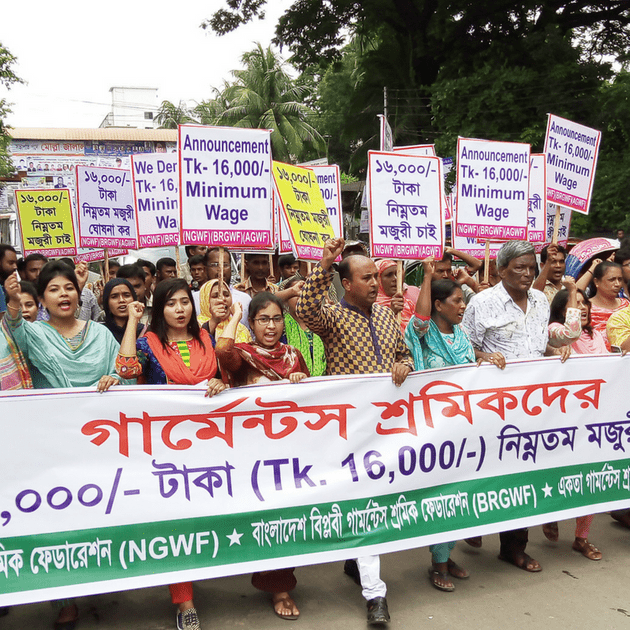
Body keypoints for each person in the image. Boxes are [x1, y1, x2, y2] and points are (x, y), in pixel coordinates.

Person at [296, 237, 413, 625]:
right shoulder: (332, 316)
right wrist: (325, 263)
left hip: (385, 427)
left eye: (376, 276)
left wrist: (404, 365)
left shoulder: (385, 315)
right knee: (366, 504)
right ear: (346, 283)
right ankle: (375, 594)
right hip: (347, 429)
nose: (376, 283)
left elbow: (403, 352)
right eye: (367, 278)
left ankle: (356, 560)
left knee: (371, 501)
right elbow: (307, 310)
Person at [3, 261, 121, 628]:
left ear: (79, 291)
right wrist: (10, 301)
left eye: (68, 287)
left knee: (104, 507)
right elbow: (12, 332)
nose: (63, 294)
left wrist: (115, 378)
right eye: (53, 289)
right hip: (51, 442)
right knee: (59, 518)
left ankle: (106, 572)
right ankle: (64, 599)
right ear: (40, 300)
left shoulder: (101, 334)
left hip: (100, 440)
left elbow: (123, 369)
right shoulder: (32, 333)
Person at [116, 278, 226, 630]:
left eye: (185, 302)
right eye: (171, 303)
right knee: (177, 521)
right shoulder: (148, 343)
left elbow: (225, 379)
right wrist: (134, 320)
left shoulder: (206, 339)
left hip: (209, 445)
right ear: (159, 309)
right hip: (165, 450)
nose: (180, 309)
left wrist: (220, 383)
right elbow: (127, 371)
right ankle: (185, 603)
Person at [215, 292, 307, 620]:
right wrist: (234, 317)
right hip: (251, 455)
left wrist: (301, 380)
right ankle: (269, 581)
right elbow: (223, 351)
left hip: (288, 454)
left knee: (284, 519)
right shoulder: (243, 354)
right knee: (261, 519)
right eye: (263, 319)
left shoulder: (295, 355)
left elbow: (313, 402)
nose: (271, 326)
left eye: (277, 318)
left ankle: (280, 583)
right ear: (252, 324)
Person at [462, 240, 550, 573]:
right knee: (486, 471)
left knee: (523, 474)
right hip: (492, 406)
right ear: (501, 270)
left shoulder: (541, 300)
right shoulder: (482, 303)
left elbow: (541, 344)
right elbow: (464, 348)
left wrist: (558, 351)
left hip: (535, 406)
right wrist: (483, 356)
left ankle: (513, 547)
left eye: (532, 267)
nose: (529, 273)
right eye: (520, 267)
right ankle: (472, 524)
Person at [404, 258, 479, 592]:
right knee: (441, 496)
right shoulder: (422, 333)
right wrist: (429, 277)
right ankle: (437, 564)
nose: (463, 306)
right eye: (457, 301)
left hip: (463, 428)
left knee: (461, 493)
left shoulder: (461, 334)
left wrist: (485, 359)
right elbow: (419, 319)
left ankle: (447, 555)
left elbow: (470, 362)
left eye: (464, 300)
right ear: (438, 304)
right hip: (433, 429)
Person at [546, 282, 607, 556]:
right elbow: (569, 335)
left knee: (591, 478)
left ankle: (581, 537)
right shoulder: (554, 334)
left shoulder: (597, 336)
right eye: (574, 303)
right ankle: (551, 513)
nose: (581, 307)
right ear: (562, 309)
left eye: (584, 303)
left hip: (595, 420)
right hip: (565, 419)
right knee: (561, 473)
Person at [281, 276, 325, 377]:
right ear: (286, 298)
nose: (300, 297)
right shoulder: (281, 325)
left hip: (321, 385)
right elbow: (265, 300)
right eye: (295, 294)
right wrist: (291, 291)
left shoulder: (320, 323)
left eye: (305, 293)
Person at [202, 247, 251, 329]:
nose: (220, 269)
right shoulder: (195, 299)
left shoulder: (245, 299)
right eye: (215, 265)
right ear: (205, 269)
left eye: (225, 265)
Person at [586, 261, 629, 348]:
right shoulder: (585, 307)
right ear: (596, 282)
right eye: (612, 280)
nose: (617, 284)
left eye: (620, 279)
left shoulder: (626, 304)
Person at [197, 278, 251, 346]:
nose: (222, 299)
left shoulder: (241, 329)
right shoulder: (195, 326)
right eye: (215, 296)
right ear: (205, 300)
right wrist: (214, 322)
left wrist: (236, 316)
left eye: (226, 295)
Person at [375, 259, 416, 334]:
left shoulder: (408, 305)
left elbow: (420, 330)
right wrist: (391, 312)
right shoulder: (371, 306)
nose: (395, 279)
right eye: (389, 275)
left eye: (397, 274)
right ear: (378, 279)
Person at [102, 278, 145, 344]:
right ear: (107, 303)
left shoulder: (144, 331)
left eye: (126, 295)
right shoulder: (100, 331)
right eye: (114, 297)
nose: (121, 300)